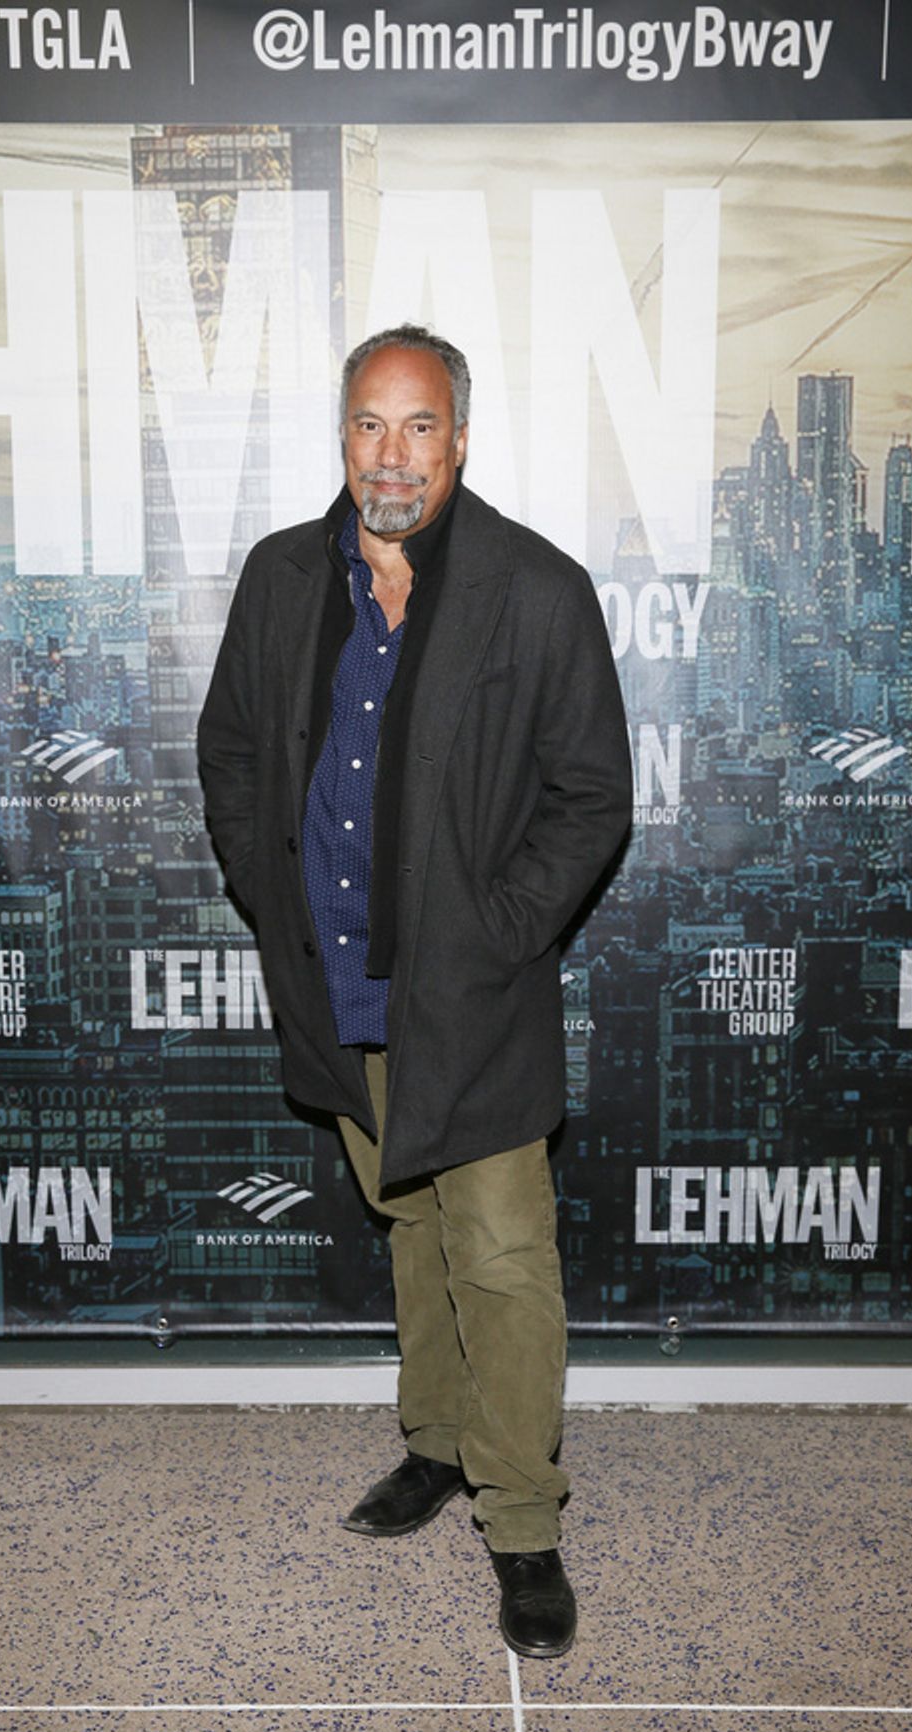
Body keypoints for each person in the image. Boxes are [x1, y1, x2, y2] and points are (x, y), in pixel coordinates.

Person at [198, 323, 631, 1657]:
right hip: (340, 980)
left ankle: (523, 1520)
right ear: (343, 438)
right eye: (369, 426)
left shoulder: (532, 587)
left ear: (459, 439)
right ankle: (438, 1448)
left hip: (476, 993)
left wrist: (495, 934)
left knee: (501, 1254)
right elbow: (230, 750)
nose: (393, 455)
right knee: (409, 1227)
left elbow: (591, 797)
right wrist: (277, 895)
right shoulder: (281, 578)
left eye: (420, 427)